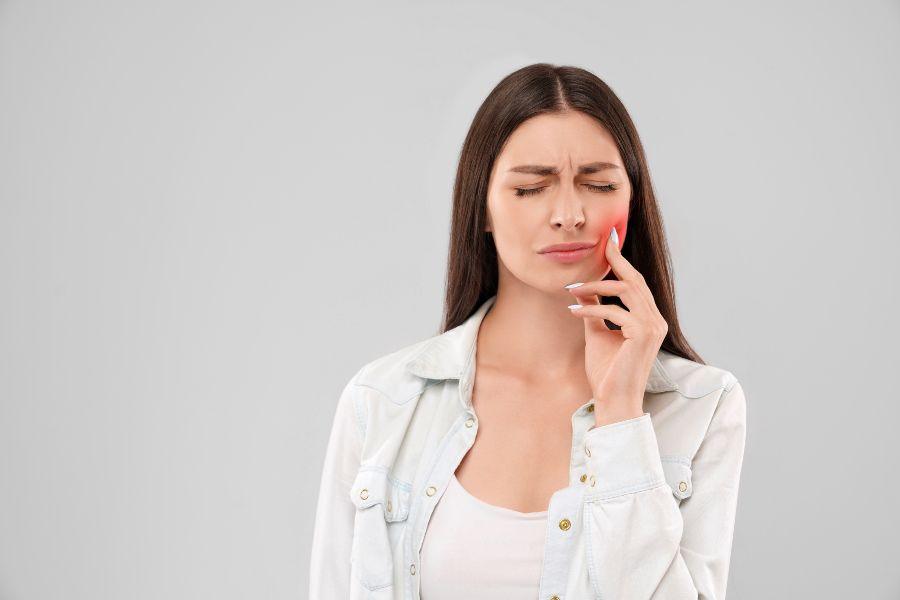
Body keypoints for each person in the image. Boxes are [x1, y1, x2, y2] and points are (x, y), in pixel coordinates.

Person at [308, 62, 748, 600]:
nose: (568, 214)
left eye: (600, 184)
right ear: (482, 209)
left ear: (632, 201)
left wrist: (621, 418)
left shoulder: (702, 406)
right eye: (530, 189)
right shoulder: (381, 401)